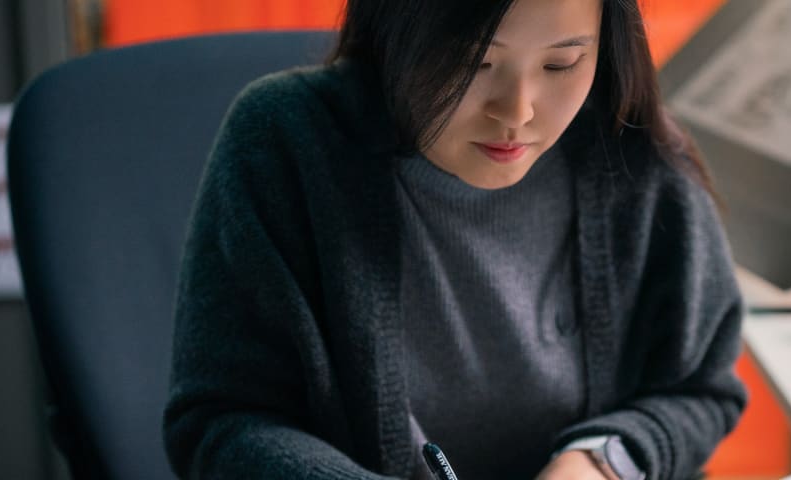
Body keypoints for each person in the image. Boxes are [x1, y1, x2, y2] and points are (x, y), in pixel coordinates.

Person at [161, 0, 747, 478]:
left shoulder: (628, 149)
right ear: (395, 34)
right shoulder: (285, 142)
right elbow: (221, 421)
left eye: (561, 64)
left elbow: (701, 389)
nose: (517, 112)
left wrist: (604, 461)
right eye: (475, 65)